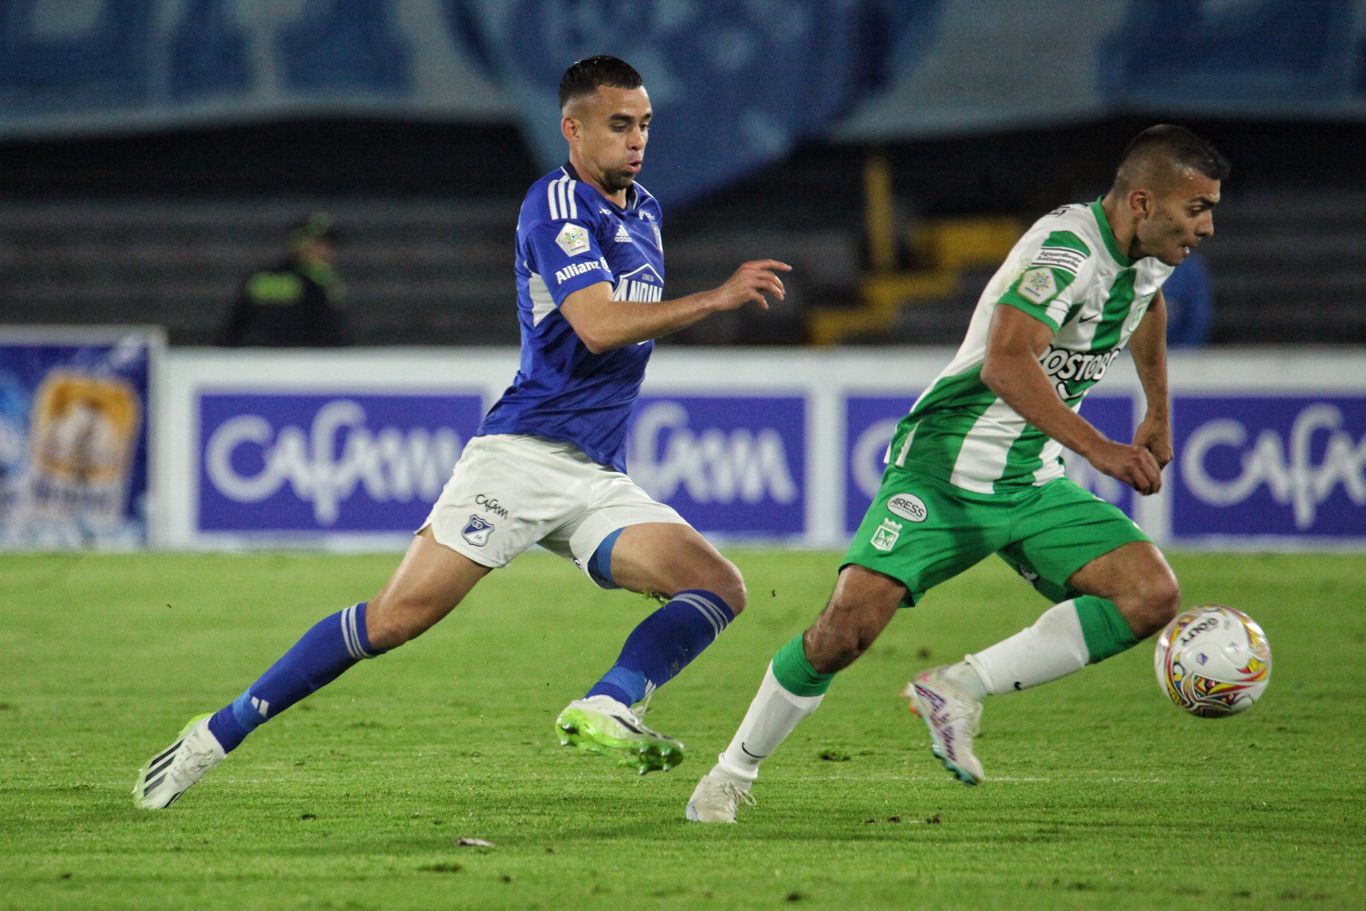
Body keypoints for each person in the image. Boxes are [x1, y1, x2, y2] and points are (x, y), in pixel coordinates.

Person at [135, 55, 791, 809]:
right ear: (572, 129)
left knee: (717, 585)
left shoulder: (644, 210)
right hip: (517, 459)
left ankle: (610, 702)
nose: (636, 139)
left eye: (643, 124)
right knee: (393, 619)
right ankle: (213, 735)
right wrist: (713, 299)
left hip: (595, 473)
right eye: (619, 125)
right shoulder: (554, 205)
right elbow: (599, 324)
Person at [686, 124, 1228, 823]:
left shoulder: (1151, 253)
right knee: (842, 632)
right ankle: (730, 774)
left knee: (1149, 592)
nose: (1208, 226)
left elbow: (1148, 302)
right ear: (1145, 202)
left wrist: (1157, 408)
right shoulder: (1064, 253)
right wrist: (1101, 448)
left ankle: (959, 686)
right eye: (1198, 208)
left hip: (1028, 477)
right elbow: (1006, 363)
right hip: (944, 468)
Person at [217, 211, 351, 347]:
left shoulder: (324, 280)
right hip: (272, 360)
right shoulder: (317, 283)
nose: (326, 251)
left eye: (329, 245)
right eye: (319, 244)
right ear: (299, 243)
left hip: (301, 361)